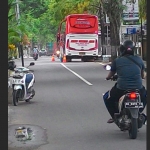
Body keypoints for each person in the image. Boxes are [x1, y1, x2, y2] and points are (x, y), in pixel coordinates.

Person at [104, 40, 147, 124]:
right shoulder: (139, 60)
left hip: (121, 88)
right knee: (145, 96)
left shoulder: (117, 60)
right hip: (138, 88)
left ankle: (114, 116)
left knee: (107, 97)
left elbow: (110, 75)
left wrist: (108, 78)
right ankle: (139, 112)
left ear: (121, 49)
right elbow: (143, 76)